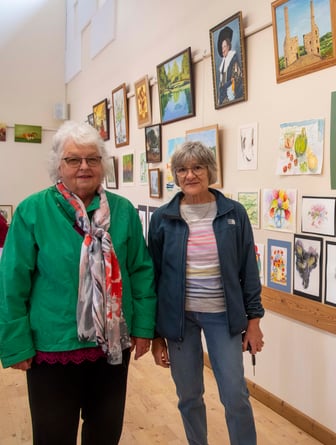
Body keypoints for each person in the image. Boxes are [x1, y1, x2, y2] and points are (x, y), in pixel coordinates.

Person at [0, 120, 156, 445]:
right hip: (51, 347)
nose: (84, 166)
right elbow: (11, 283)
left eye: (92, 159)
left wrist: (143, 328)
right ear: (58, 165)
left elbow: (140, 271)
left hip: (112, 346)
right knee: (53, 435)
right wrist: (16, 344)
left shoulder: (123, 211)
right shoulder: (33, 211)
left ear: (102, 164)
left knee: (105, 433)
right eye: (74, 159)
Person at [148, 140, 264, 445]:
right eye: (183, 169)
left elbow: (248, 271)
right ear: (175, 174)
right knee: (188, 396)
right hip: (179, 320)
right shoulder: (162, 218)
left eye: (197, 167)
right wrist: (156, 334)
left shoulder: (234, 213)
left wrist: (254, 322)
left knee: (235, 395)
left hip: (223, 318)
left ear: (209, 170)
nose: (190, 175)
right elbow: (154, 277)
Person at [216, 25, 244, 106]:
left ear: (228, 47)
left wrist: (228, 87)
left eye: (224, 46)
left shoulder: (233, 59)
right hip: (223, 94)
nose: (223, 49)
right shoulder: (223, 63)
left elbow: (237, 76)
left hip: (230, 94)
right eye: (222, 47)